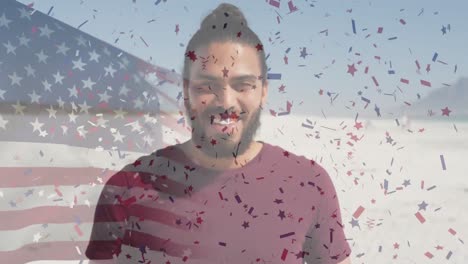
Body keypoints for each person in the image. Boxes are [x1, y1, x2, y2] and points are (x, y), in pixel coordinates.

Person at [85, 3, 352, 263]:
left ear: (263, 91)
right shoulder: (127, 188)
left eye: (243, 85)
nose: (225, 102)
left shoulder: (309, 183)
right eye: (207, 86)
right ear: (187, 91)